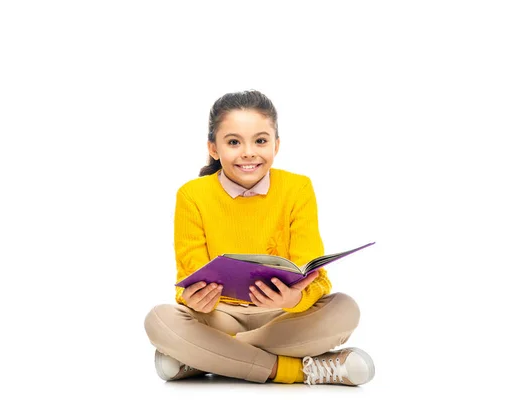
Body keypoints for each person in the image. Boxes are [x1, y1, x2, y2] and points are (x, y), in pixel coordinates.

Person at [144, 89, 375, 385]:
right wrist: (193, 299)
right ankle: (298, 370)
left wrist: (296, 297)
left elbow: (315, 276)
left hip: (283, 317)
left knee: (345, 309)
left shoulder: (298, 188)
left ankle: (204, 357)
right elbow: (188, 277)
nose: (248, 152)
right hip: (219, 316)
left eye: (260, 141)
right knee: (160, 320)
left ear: (276, 145)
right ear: (213, 148)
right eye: (233, 142)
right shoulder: (192, 195)